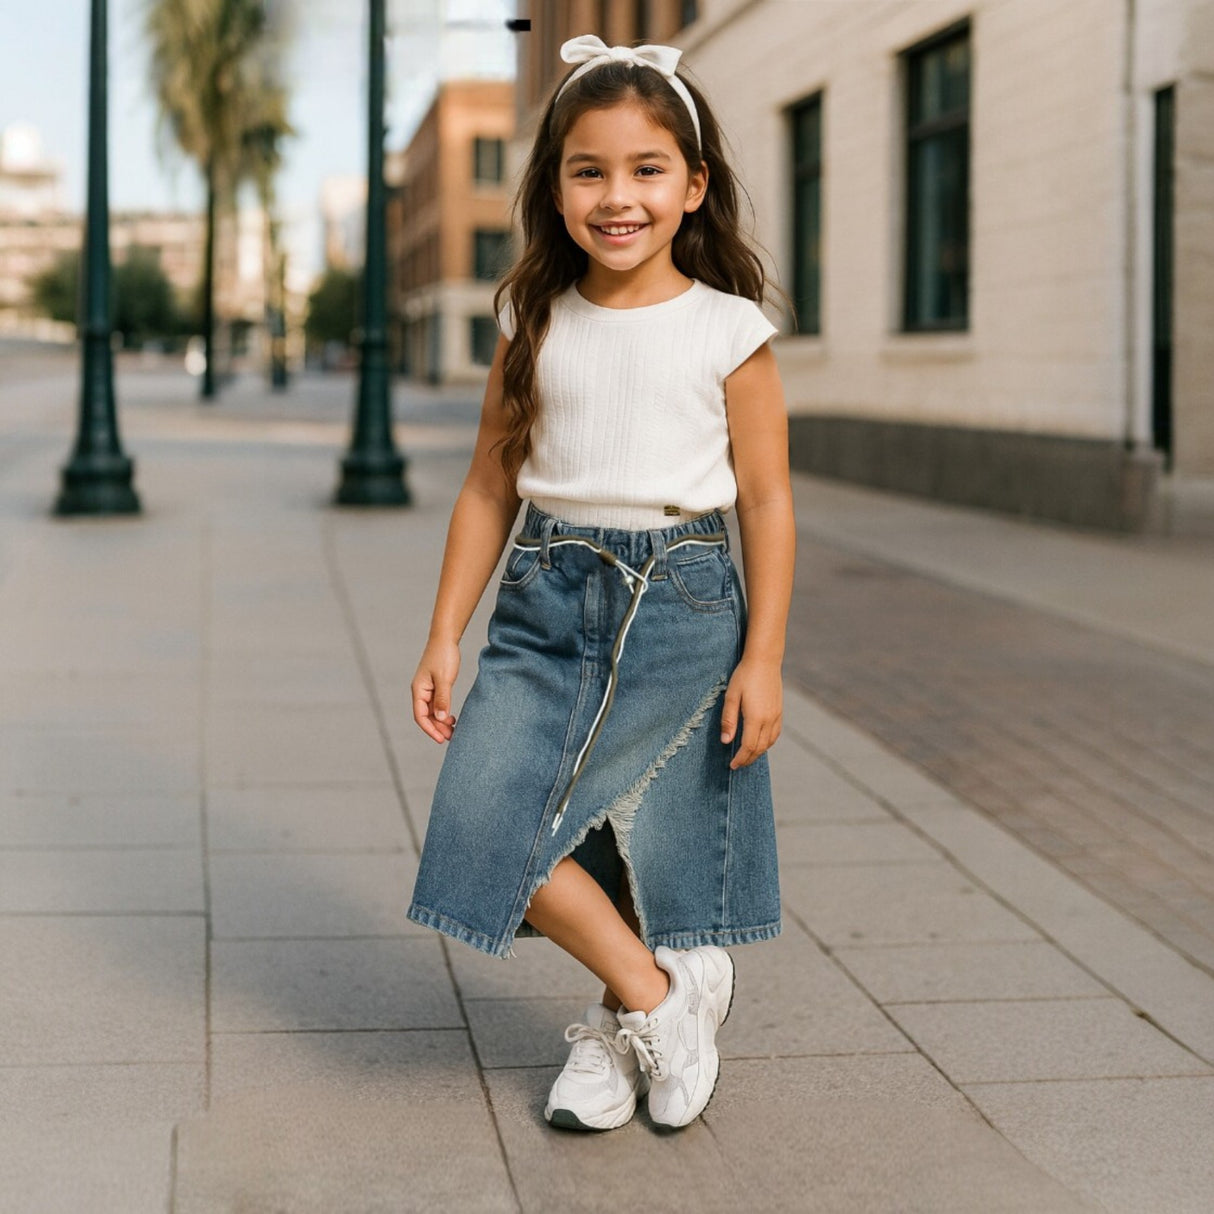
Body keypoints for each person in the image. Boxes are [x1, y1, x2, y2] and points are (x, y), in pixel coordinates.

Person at [406, 33, 795, 1133]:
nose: (617, 196)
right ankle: (659, 996)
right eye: (589, 171)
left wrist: (765, 657)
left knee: (635, 833)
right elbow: (489, 485)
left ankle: (619, 1024)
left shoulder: (728, 330)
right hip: (542, 599)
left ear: (693, 186)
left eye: (645, 169)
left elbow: (767, 502)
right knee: (487, 829)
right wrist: (444, 632)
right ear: (554, 187)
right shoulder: (529, 320)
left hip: (681, 601)